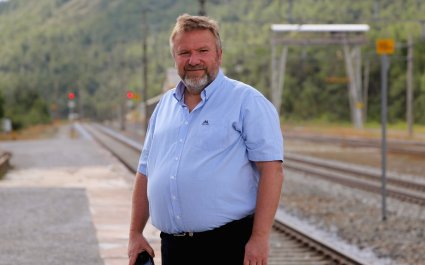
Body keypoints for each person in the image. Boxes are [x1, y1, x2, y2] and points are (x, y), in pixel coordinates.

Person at [128, 13, 284, 265]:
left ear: (219, 55)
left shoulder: (247, 102)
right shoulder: (164, 106)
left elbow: (272, 171)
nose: (194, 60)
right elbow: (145, 172)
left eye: (203, 50)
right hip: (173, 247)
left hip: (228, 246)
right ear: (174, 57)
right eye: (184, 52)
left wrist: (260, 237)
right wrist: (135, 234)